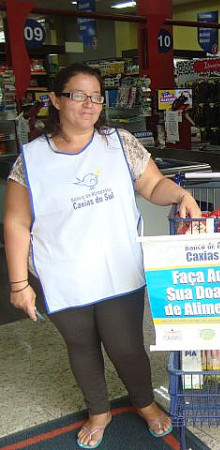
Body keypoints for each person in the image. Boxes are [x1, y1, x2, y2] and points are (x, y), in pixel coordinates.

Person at [3, 63, 201, 449]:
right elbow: (15, 224)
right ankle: (99, 411)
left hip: (118, 269)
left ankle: (144, 403)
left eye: (96, 96)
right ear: (56, 100)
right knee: (81, 347)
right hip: (62, 275)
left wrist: (179, 194)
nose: (89, 104)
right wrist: (18, 284)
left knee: (126, 346)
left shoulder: (119, 143)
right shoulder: (31, 160)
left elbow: (154, 184)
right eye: (78, 95)